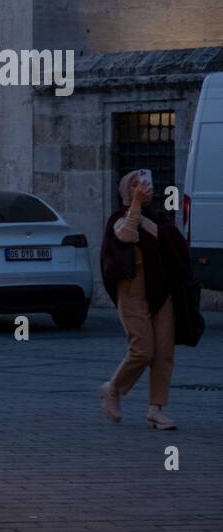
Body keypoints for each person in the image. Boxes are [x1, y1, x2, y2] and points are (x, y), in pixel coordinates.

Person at [99, 170, 192, 430]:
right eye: (136, 185)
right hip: (132, 292)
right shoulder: (119, 218)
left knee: (163, 353)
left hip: (161, 292)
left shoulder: (158, 218)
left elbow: (173, 243)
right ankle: (113, 388)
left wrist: (145, 218)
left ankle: (156, 409)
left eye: (145, 184)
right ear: (127, 191)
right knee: (142, 350)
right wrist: (136, 207)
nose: (143, 188)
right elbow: (125, 236)